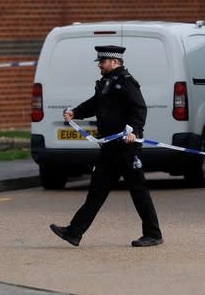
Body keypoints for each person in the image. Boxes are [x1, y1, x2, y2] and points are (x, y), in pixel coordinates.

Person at [50, 45, 163, 248]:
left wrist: (134, 132)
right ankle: (74, 232)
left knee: (138, 190)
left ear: (115, 62)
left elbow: (139, 108)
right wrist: (75, 112)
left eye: (102, 62)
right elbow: (95, 104)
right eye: (100, 62)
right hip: (110, 146)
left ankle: (153, 233)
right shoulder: (106, 83)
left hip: (126, 147)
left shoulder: (126, 83)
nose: (99, 65)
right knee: (97, 191)